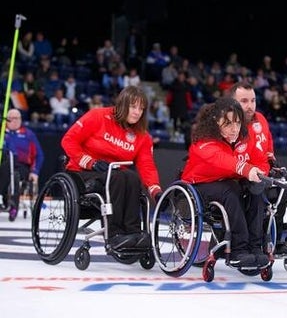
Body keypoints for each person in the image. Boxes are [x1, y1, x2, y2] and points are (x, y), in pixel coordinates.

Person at [61, 86, 163, 250]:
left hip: (114, 175)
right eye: (133, 106)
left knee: (132, 177)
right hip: (83, 172)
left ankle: (133, 232)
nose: (137, 112)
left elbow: (147, 166)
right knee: (117, 177)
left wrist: (155, 191)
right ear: (123, 104)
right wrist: (90, 162)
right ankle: (114, 234)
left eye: (141, 108)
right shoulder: (98, 116)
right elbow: (68, 140)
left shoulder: (143, 136)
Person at [180, 97, 269, 268]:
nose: (234, 129)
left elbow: (260, 160)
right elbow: (222, 159)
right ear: (216, 122)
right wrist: (246, 170)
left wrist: (261, 173)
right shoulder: (203, 141)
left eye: (237, 122)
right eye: (228, 124)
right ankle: (238, 250)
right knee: (232, 189)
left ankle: (255, 247)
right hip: (199, 185)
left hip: (229, 182)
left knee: (256, 190)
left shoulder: (244, 138)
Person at [227, 81, 287, 255]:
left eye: (253, 100)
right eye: (244, 101)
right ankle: (253, 243)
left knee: (285, 191)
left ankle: (274, 240)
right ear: (233, 102)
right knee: (257, 191)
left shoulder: (261, 119)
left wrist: (271, 158)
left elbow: (268, 142)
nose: (250, 106)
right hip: (240, 175)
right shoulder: (228, 124)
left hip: (263, 172)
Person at [0, 109, 44, 221]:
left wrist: (35, 171)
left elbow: (39, 155)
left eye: (17, 118)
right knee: (7, 165)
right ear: (6, 120)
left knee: (14, 175)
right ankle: (3, 198)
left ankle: (12, 206)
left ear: (21, 120)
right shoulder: (2, 133)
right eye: (11, 118)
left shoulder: (28, 134)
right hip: (3, 165)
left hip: (21, 167)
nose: (14, 121)